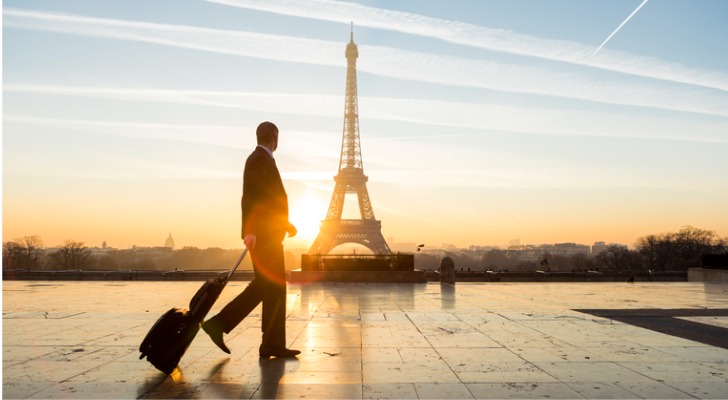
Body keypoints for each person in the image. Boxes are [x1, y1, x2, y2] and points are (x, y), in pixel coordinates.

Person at [201, 121, 300, 358]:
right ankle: (264, 341)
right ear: (275, 137)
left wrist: (284, 224)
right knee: (272, 286)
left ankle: (263, 340)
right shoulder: (259, 159)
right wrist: (250, 230)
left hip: (267, 232)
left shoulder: (261, 159)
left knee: (265, 286)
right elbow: (251, 197)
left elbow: (265, 199)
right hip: (263, 235)